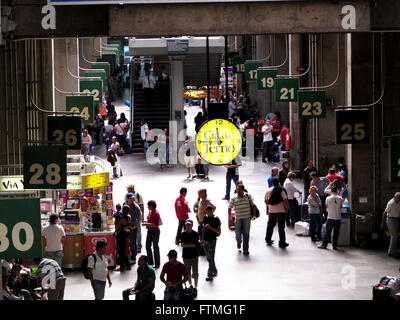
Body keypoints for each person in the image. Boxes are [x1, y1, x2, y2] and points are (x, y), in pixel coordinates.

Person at [228, 184, 255, 255]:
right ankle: (239, 242)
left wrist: (254, 214)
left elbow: (253, 205)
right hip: (238, 218)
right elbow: (229, 207)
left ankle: (245, 249)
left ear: (243, 190)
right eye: (237, 189)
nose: (238, 191)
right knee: (237, 233)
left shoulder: (248, 196)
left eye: (239, 189)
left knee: (246, 233)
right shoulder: (234, 198)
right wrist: (230, 217)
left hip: (247, 218)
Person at [265, 177, 289, 248]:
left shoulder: (269, 190)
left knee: (270, 226)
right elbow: (285, 200)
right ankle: (282, 242)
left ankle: (268, 240)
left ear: (272, 183)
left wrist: (269, 206)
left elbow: (266, 200)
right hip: (281, 211)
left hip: (272, 211)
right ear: (279, 182)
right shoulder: (281, 190)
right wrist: (286, 208)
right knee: (281, 227)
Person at [201, 205, 221, 281]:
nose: (208, 213)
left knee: (211, 257)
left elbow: (218, 232)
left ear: (212, 211)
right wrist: (202, 239)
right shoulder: (205, 218)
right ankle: (214, 270)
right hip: (205, 240)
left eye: (209, 211)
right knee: (209, 257)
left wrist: (210, 227)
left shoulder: (216, 219)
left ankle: (210, 274)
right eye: (207, 212)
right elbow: (203, 229)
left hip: (212, 240)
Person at [180, 219, 199, 290]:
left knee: (195, 272)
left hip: (194, 256)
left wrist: (186, 245)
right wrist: (190, 244)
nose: (188, 226)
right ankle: (191, 285)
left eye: (189, 225)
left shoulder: (196, 234)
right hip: (186, 256)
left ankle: (195, 287)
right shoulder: (182, 234)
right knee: (187, 272)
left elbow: (195, 245)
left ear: (192, 225)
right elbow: (182, 245)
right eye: (187, 225)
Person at [380, 192, 400, 259]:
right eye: (398, 198)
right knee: (394, 236)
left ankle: (392, 250)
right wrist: (382, 223)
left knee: (394, 236)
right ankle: (391, 251)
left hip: (396, 219)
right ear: (394, 197)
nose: (399, 199)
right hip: (390, 220)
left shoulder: (399, 202)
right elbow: (384, 213)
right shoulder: (390, 203)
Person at [143, 200, 161, 269]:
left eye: (148, 205)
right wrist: (146, 222)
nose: (147, 207)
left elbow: (155, 224)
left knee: (155, 247)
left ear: (152, 206)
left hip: (155, 231)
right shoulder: (150, 212)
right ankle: (150, 262)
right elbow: (149, 221)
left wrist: (146, 224)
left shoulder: (156, 214)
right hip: (150, 231)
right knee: (147, 246)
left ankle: (157, 263)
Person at [126, 184, 145, 253]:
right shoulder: (126, 203)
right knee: (131, 238)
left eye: (129, 189)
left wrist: (142, 217)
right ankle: (132, 248)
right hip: (129, 223)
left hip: (136, 222)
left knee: (138, 234)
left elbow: (142, 206)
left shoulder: (138, 196)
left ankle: (139, 247)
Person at [115, 206, 132, 271]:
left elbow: (117, 228)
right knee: (124, 251)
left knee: (120, 251)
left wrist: (115, 232)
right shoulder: (129, 217)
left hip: (120, 234)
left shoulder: (121, 219)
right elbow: (128, 225)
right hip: (126, 234)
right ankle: (128, 265)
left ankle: (122, 266)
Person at [126, 193, 141, 264]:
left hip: (133, 228)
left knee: (133, 243)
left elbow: (139, 218)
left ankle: (133, 258)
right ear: (127, 199)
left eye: (133, 198)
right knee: (127, 242)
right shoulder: (124, 205)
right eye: (131, 198)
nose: (132, 200)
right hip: (126, 227)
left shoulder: (136, 207)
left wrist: (134, 226)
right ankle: (128, 256)